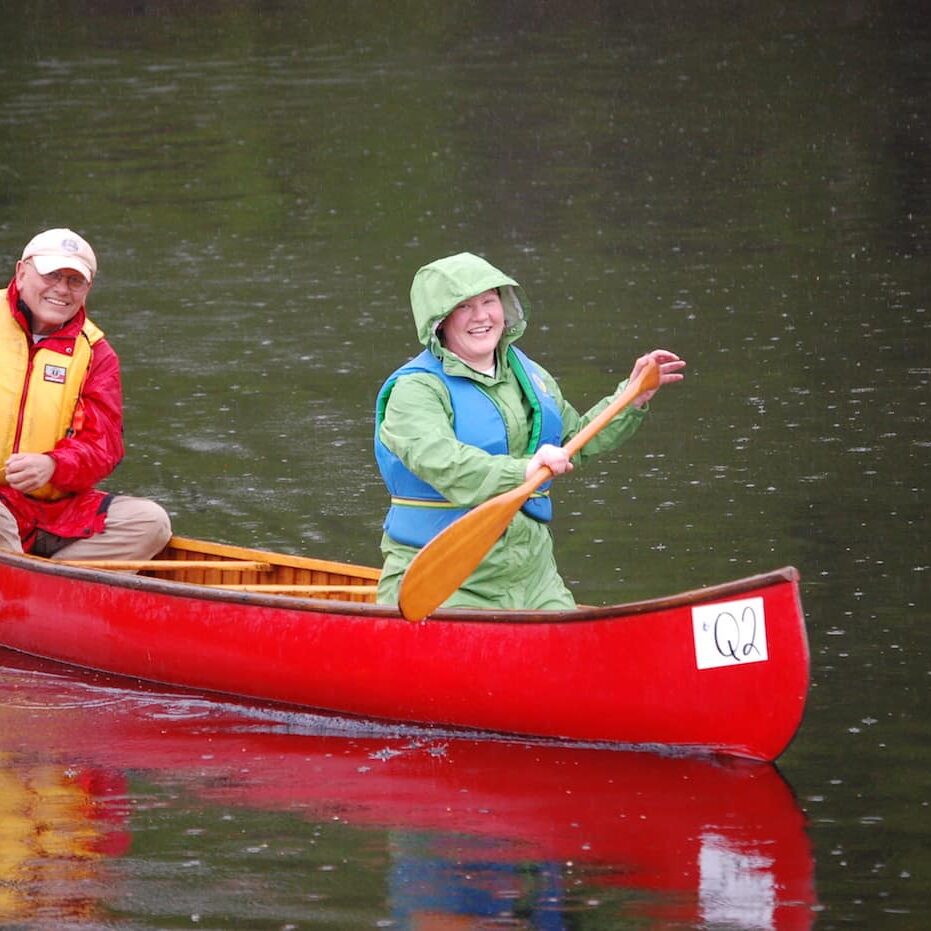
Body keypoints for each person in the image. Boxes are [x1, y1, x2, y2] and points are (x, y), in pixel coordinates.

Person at [374, 251, 686, 610]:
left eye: (489, 301)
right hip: (443, 579)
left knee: (574, 655)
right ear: (440, 320)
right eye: (464, 306)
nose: (481, 316)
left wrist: (629, 399)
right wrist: (524, 469)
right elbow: (444, 463)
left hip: (532, 572)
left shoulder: (527, 374)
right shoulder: (415, 391)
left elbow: (572, 442)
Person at [0, 228, 171, 561]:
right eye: (51, 275)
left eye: (74, 281)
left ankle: (42, 588)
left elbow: (103, 446)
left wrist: (52, 465)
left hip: (55, 513)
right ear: (21, 272)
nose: (61, 290)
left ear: (87, 289)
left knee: (152, 523)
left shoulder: (97, 354)